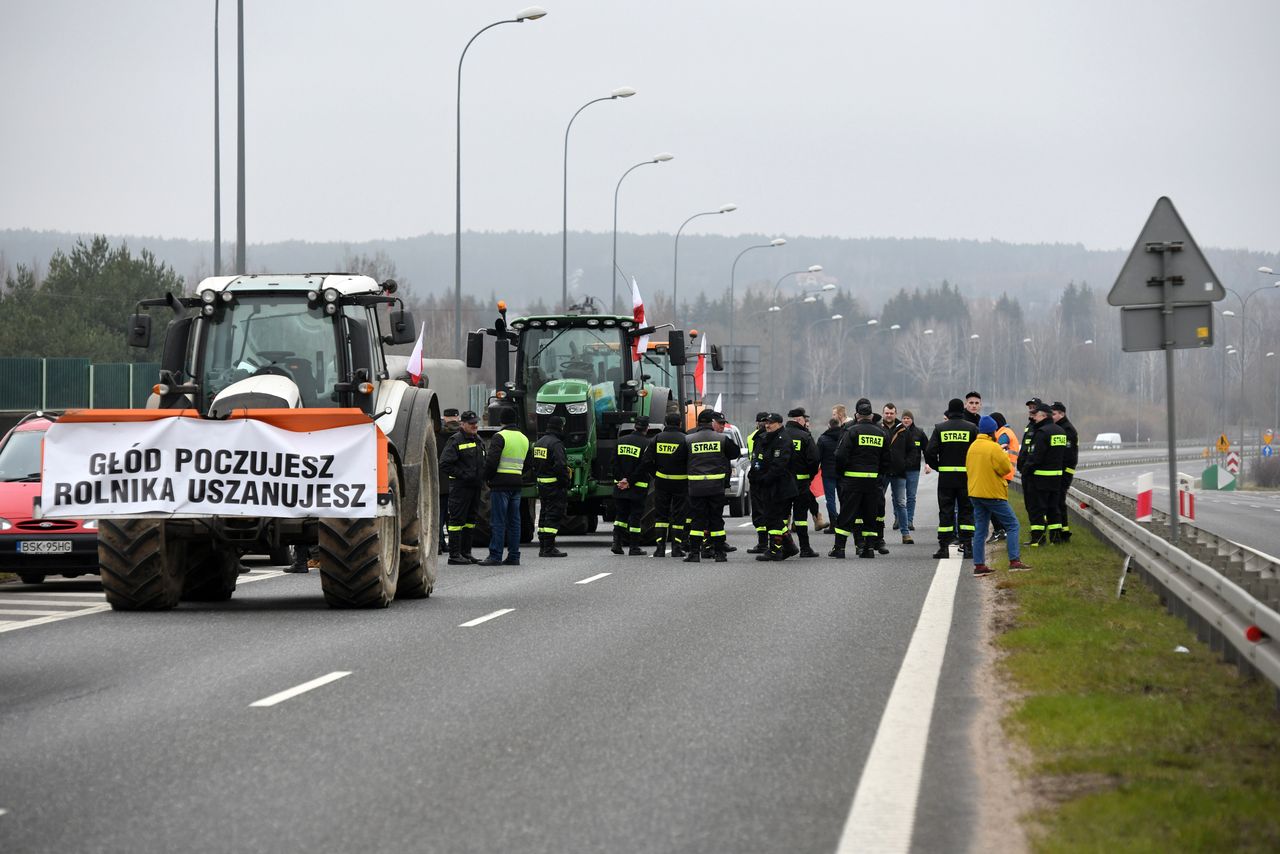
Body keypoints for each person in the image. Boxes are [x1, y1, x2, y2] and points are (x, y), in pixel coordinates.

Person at [966, 415, 1032, 576]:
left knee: (980, 530)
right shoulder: (994, 447)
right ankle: (1014, 561)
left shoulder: (973, 446)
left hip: (975, 493)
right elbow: (1005, 469)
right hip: (993, 493)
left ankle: (979, 565)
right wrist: (1002, 453)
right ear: (993, 431)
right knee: (1012, 525)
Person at [830, 400, 890, 558]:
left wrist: (842, 473)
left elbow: (840, 455)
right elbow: (886, 459)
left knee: (847, 514)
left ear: (857, 415)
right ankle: (868, 549)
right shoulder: (881, 433)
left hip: (852, 480)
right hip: (872, 481)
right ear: (871, 416)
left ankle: (839, 548)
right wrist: (878, 475)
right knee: (870, 514)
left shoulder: (851, 431)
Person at [925, 398, 978, 559]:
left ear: (949, 411)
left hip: (946, 478)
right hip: (966, 477)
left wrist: (939, 466)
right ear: (962, 410)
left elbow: (929, 452)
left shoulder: (940, 428)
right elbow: (978, 451)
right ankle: (967, 546)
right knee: (966, 511)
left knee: (946, 511)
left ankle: (944, 547)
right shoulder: (971, 428)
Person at [684, 410, 738, 563]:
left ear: (699, 422)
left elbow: (679, 459)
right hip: (716, 487)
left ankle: (694, 554)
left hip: (696, 487)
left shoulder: (688, 439)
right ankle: (720, 553)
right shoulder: (721, 439)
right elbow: (734, 453)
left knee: (697, 521)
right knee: (716, 520)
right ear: (711, 422)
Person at [479, 407, 532, 566]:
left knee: (498, 521)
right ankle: (514, 556)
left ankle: (495, 555)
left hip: (500, 485)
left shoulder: (499, 436)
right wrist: (517, 474)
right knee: (514, 522)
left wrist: (487, 478)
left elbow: (492, 461)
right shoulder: (524, 438)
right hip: (516, 484)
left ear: (501, 420)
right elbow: (529, 463)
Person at [439, 410, 485, 565]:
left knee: (470, 520)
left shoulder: (478, 439)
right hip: (460, 487)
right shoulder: (455, 440)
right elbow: (445, 464)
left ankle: (466, 553)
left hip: (475, 487)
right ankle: (454, 555)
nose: (475, 425)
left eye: (476, 423)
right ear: (462, 424)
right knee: (457, 521)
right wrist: (463, 475)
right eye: (471, 423)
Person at [642, 412, 691, 558]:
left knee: (661, 516)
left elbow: (646, 461)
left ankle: (660, 549)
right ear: (680, 423)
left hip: (662, 482)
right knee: (678, 516)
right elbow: (691, 460)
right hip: (681, 482)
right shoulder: (685, 439)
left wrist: (656, 473)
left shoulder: (657, 438)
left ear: (665, 423)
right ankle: (676, 548)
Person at [750, 412, 796, 561]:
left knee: (773, 518)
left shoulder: (783, 440)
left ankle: (776, 550)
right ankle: (789, 545)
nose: (767, 425)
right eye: (766, 423)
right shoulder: (765, 437)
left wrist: (764, 478)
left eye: (770, 423)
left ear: (779, 424)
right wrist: (755, 475)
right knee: (772, 517)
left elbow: (779, 465)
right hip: (767, 485)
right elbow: (758, 459)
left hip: (779, 485)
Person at [1025, 403, 1067, 545]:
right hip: (1056, 478)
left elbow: (1036, 456)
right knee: (1053, 509)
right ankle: (1056, 538)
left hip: (1040, 478)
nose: (1034, 417)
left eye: (1036, 415)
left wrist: (1026, 469)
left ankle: (1038, 539)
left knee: (1037, 509)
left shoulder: (1042, 432)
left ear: (1043, 415)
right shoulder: (1061, 431)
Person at [532, 415, 572, 558]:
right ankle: (549, 548)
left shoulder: (539, 442)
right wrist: (565, 481)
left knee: (544, 514)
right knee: (553, 515)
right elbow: (560, 465)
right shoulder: (556, 444)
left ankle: (543, 546)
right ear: (560, 427)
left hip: (542, 484)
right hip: (555, 486)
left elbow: (534, 464)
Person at [784, 407, 821, 558]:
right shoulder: (805, 436)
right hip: (801, 484)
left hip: (783, 484)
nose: (806, 421)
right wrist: (809, 476)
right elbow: (814, 460)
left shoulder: (781, 435)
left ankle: (780, 546)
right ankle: (805, 548)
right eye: (804, 419)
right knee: (801, 518)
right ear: (799, 420)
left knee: (781, 517)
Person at [610, 416, 650, 556]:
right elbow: (643, 467)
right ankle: (634, 547)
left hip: (620, 487)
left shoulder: (620, 441)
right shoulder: (646, 444)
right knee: (635, 517)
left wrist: (621, 479)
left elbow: (614, 463)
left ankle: (617, 543)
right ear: (647, 428)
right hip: (637, 488)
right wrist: (630, 481)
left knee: (620, 516)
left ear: (634, 426)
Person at [987, 411, 1021, 543]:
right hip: (1006, 472)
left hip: (1002, 473)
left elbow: (997, 450)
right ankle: (1002, 529)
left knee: (994, 503)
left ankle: (1000, 530)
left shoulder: (1003, 434)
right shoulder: (1006, 431)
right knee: (996, 502)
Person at [897, 410, 927, 542]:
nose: (906, 420)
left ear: (912, 420)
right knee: (898, 497)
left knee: (911, 496)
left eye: (908, 418)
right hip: (899, 469)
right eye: (904, 418)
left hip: (914, 469)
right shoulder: (897, 431)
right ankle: (898, 519)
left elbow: (927, 449)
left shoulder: (919, 433)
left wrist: (928, 464)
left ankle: (909, 520)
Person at [1050, 402, 1079, 542]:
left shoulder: (1067, 430)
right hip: (1058, 472)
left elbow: (1067, 456)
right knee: (1057, 502)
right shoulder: (1058, 428)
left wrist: (1063, 472)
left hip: (1064, 472)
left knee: (1059, 502)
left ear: (1062, 414)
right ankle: (1062, 531)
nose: (1051, 416)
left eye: (1054, 414)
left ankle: (1064, 533)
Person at [745, 411, 771, 554]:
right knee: (771, 511)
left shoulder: (752, 437)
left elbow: (753, 459)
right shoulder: (776, 436)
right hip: (769, 478)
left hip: (758, 478)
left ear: (756, 423)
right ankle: (774, 543)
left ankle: (763, 543)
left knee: (759, 511)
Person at [438, 408, 462, 551]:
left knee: (439, 515)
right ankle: (454, 545)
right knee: (454, 515)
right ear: (458, 418)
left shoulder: (436, 434)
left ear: (444, 418)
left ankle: (440, 542)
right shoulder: (461, 435)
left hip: (440, 482)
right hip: (457, 481)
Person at [881, 403, 903, 533]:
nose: (889, 415)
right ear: (883, 413)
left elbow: (911, 449)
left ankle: (902, 526)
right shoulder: (878, 428)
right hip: (882, 471)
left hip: (898, 471)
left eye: (891, 413)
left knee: (900, 501)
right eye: (887, 413)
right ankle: (879, 523)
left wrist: (905, 463)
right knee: (879, 499)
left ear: (895, 414)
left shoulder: (903, 429)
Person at [817, 416, 843, 526]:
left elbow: (817, 457)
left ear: (829, 426)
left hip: (828, 473)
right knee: (844, 498)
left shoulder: (823, 439)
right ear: (839, 425)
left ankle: (834, 521)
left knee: (830, 499)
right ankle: (844, 521)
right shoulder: (844, 437)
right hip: (842, 472)